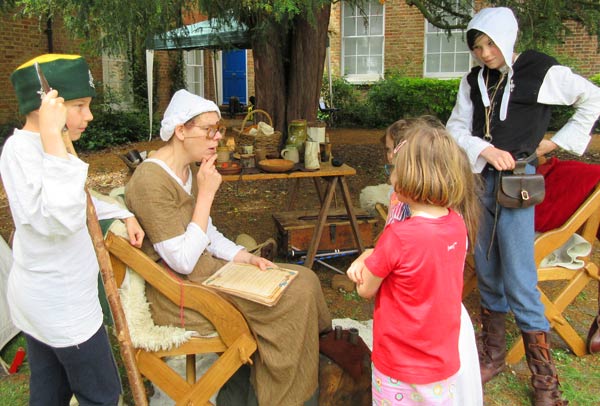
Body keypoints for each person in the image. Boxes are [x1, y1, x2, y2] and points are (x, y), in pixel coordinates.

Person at [124, 89, 332, 406]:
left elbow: (205, 231)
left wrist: (243, 256)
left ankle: (294, 378)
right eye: (208, 130)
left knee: (304, 279)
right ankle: (283, 396)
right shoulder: (150, 182)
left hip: (207, 275)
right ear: (180, 130)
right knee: (296, 297)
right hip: (182, 293)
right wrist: (206, 194)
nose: (217, 139)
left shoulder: (187, 170)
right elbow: (181, 261)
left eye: (218, 130)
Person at [446, 7, 600, 405]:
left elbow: (592, 98)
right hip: (479, 182)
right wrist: (485, 149)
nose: (484, 53)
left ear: (506, 38)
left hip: (518, 185)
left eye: (490, 44)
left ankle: (545, 382)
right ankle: (494, 356)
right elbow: (456, 129)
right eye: (478, 47)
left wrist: (553, 143)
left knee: (519, 279)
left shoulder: (540, 71)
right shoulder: (473, 81)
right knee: (487, 269)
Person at [0, 54, 145, 405]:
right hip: (62, 306)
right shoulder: (21, 152)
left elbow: (81, 200)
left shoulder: (50, 147)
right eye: (79, 105)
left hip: (48, 300)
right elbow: (59, 220)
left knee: (50, 392)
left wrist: (123, 212)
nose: (89, 115)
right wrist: (52, 139)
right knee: (102, 395)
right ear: (47, 106)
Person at [347, 124, 481, 405]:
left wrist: (359, 268)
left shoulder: (398, 235)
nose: (391, 175)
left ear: (407, 178)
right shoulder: (456, 224)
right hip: (441, 360)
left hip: (398, 363)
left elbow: (366, 289)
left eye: (393, 171)